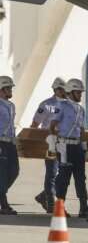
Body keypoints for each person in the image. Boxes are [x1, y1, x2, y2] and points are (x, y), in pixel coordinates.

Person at [49, 79, 88, 218]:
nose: (81, 95)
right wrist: (55, 142)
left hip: (77, 146)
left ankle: (84, 207)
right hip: (64, 145)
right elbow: (52, 125)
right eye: (78, 92)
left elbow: (82, 129)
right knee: (64, 177)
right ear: (71, 92)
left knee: (80, 177)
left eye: (81, 92)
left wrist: (84, 146)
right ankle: (59, 208)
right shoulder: (61, 105)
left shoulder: (81, 109)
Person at [32, 77, 66, 213]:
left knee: (63, 173)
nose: (66, 92)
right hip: (50, 143)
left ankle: (43, 195)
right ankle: (50, 201)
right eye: (64, 90)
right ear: (57, 89)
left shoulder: (68, 105)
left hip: (64, 143)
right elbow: (35, 124)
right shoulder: (45, 105)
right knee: (52, 172)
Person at [0, 76, 19, 215]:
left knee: (14, 171)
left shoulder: (11, 105)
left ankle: (2, 196)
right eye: (8, 88)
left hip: (10, 143)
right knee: (2, 173)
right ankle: (4, 204)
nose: (10, 90)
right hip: (1, 142)